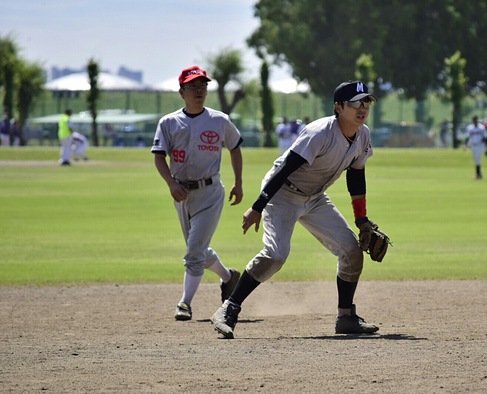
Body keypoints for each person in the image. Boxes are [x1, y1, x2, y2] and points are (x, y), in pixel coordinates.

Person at [211, 80, 381, 339]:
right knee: (276, 255)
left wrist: (362, 219)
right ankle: (228, 309)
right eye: (356, 103)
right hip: (282, 194)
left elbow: (356, 178)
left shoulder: (363, 135)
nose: (363, 108)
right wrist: (258, 207)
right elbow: (285, 168)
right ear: (338, 107)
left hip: (314, 197)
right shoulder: (320, 132)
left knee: (351, 251)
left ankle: (346, 317)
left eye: (366, 102)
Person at [151, 65, 244, 321]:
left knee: (193, 251)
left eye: (202, 85)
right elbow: (159, 157)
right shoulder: (169, 123)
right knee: (198, 250)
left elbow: (235, 148)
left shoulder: (219, 120)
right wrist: (171, 184)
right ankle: (229, 277)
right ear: (181, 92)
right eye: (192, 86)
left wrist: (238, 182)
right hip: (181, 193)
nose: (198, 91)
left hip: (211, 192)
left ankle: (184, 304)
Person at [465, 115, 487, 179]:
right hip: (473, 145)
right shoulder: (470, 127)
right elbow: (467, 137)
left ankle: (478, 174)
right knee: (475, 159)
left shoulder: (481, 127)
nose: (475, 121)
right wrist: (466, 145)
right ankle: (479, 174)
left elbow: (486, 136)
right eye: (474, 119)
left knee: (478, 159)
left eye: (476, 119)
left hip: (480, 145)